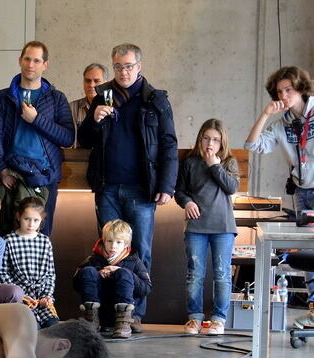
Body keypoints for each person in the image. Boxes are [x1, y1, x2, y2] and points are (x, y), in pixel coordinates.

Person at [78, 43, 178, 332]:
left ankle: (134, 314)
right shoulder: (102, 95)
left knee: (140, 252)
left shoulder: (155, 100)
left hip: (141, 188)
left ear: (139, 67)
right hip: (107, 186)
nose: (123, 71)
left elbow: (168, 144)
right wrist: (95, 121)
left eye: (129, 66)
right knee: (107, 251)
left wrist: (166, 185)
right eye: (119, 66)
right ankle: (109, 315)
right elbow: (85, 139)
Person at [245, 65, 314, 329]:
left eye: (288, 89)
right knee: (307, 249)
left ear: (301, 88)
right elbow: (252, 145)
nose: (284, 95)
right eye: (279, 92)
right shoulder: (283, 124)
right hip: (301, 190)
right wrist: (265, 114)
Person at [0, 41, 73, 237]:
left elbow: (68, 137)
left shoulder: (56, 98)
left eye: (36, 60)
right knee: (5, 234)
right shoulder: (2, 98)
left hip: (44, 176)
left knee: (41, 236)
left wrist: (37, 120)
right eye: (27, 59)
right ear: (20, 61)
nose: (30, 64)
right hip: (11, 176)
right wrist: (1, 170)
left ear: (45, 65)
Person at [176, 119, 239, 336]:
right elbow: (180, 191)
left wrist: (215, 165)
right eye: (206, 138)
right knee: (195, 274)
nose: (209, 143)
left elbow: (231, 187)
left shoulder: (229, 162)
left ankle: (218, 319)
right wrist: (187, 202)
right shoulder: (190, 162)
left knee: (222, 274)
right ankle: (194, 318)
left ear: (222, 142)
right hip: (196, 227)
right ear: (200, 138)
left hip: (223, 227)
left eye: (215, 139)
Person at [74, 219, 151, 339]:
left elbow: (146, 288)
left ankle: (123, 325)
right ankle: (91, 323)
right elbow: (76, 283)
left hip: (124, 315)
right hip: (101, 314)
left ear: (126, 244)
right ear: (103, 241)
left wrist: (121, 272)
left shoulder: (134, 261)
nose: (113, 246)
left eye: (119, 242)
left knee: (124, 273)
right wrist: (98, 272)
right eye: (109, 241)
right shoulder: (93, 260)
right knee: (88, 271)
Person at [2, 195, 57, 328]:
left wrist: (47, 296)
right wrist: (23, 296)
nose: (31, 224)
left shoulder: (44, 241)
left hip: (41, 299)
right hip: (20, 300)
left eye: (36, 220)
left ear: (41, 220)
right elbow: (3, 273)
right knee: (30, 327)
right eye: (27, 219)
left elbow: (50, 274)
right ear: (18, 216)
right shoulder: (8, 240)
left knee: (53, 327)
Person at [68, 63, 108, 146]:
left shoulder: (113, 108)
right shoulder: (71, 108)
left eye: (96, 81)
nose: (91, 85)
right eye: (87, 81)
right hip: (77, 157)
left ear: (106, 84)